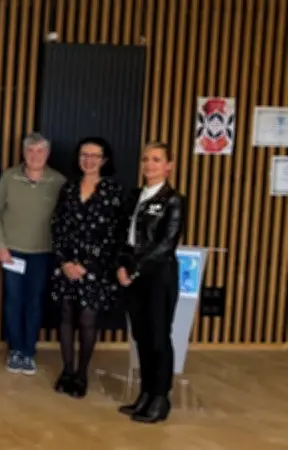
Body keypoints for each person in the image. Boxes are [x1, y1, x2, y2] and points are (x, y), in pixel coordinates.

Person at [116, 142, 185, 424]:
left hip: (158, 276)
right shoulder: (135, 197)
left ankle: (160, 397)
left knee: (158, 338)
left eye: (157, 159)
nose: (149, 164)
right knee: (141, 337)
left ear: (169, 166)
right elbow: (123, 236)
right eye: (146, 159)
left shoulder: (173, 200)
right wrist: (122, 265)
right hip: (133, 275)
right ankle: (145, 392)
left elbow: (165, 245)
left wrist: (135, 270)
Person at [50, 137, 124, 397]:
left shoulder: (113, 192)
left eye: (95, 156)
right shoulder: (68, 189)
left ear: (104, 160)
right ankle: (67, 370)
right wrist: (65, 262)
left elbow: (114, 234)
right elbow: (57, 226)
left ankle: (82, 374)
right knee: (66, 317)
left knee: (88, 319)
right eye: (84, 155)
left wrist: (86, 264)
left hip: (96, 268)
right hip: (66, 265)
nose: (89, 160)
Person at [0, 133, 66, 375]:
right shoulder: (9, 177)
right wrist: (1, 246)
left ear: (47, 154)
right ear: (23, 153)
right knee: (13, 301)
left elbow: (65, 219)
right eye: (30, 150)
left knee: (35, 303)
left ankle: (28, 352)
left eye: (40, 151)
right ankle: (15, 350)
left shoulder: (58, 181)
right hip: (12, 252)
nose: (35, 155)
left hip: (42, 253)